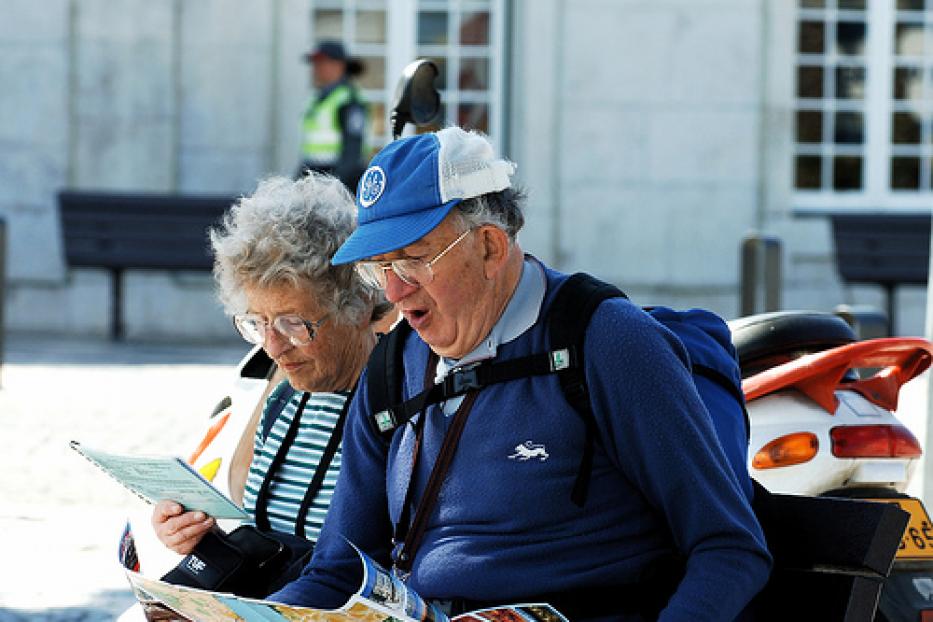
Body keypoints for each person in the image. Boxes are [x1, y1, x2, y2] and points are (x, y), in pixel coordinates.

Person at [269, 127, 772, 621]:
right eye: (379, 268)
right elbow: (337, 573)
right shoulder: (393, 365)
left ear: (489, 246)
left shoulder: (605, 341)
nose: (394, 292)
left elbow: (729, 548)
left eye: (412, 261)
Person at [151, 173, 391, 557]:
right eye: (257, 323)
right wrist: (201, 539)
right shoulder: (283, 401)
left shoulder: (398, 407)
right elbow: (269, 544)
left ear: (359, 305)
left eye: (293, 323)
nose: (273, 347)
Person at [297, 40, 369, 192]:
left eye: (321, 63)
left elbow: (352, 151)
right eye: (315, 64)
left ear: (339, 65)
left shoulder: (349, 100)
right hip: (316, 175)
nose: (316, 69)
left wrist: (333, 188)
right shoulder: (318, 98)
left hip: (339, 180)